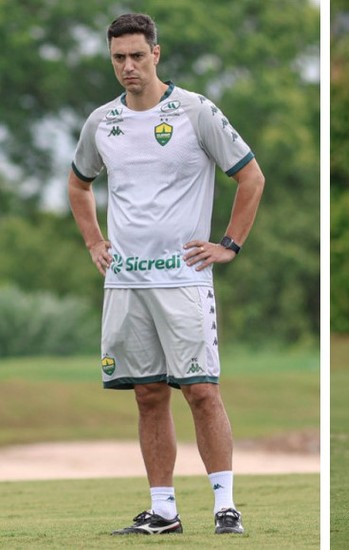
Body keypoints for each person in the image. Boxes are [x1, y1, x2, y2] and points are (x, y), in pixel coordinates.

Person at [67, 13, 264, 534]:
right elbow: (78, 183)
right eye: (118, 58)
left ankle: (225, 505)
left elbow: (250, 177)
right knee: (148, 394)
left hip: (183, 279)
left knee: (201, 391)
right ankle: (164, 511)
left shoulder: (195, 111)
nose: (128, 66)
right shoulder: (101, 122)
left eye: (136, 55)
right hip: (125, 282)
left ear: (157, 52)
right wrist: (94, 241)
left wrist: (229, 245)